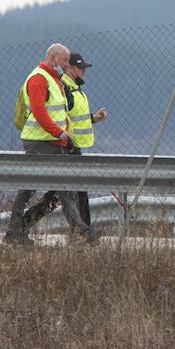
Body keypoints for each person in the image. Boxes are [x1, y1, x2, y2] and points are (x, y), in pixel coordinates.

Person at [2, 43, 93, 247]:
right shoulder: (38, 79)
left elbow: (59, 113)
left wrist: (65, 135)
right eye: (64, 60)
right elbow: (39, 111)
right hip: (39, 141)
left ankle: (16, 231)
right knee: (36, 187)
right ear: (54, 58)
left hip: (52, 141)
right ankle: (79, 232)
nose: (66, 64)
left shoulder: (54, 80)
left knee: (60, 185)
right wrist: (59, 133)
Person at [19, 52, 108, 235]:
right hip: (65, 146)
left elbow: (75, 118)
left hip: (71, 145)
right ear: (69, 68)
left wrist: (94, 119)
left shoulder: (74, 89)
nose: (84, 72)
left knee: (64, 192)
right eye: (81, 68)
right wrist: (64, 137)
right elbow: (61, 118)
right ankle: (83, 232)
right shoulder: (65, 88)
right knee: (69, 192)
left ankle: (25, 224)